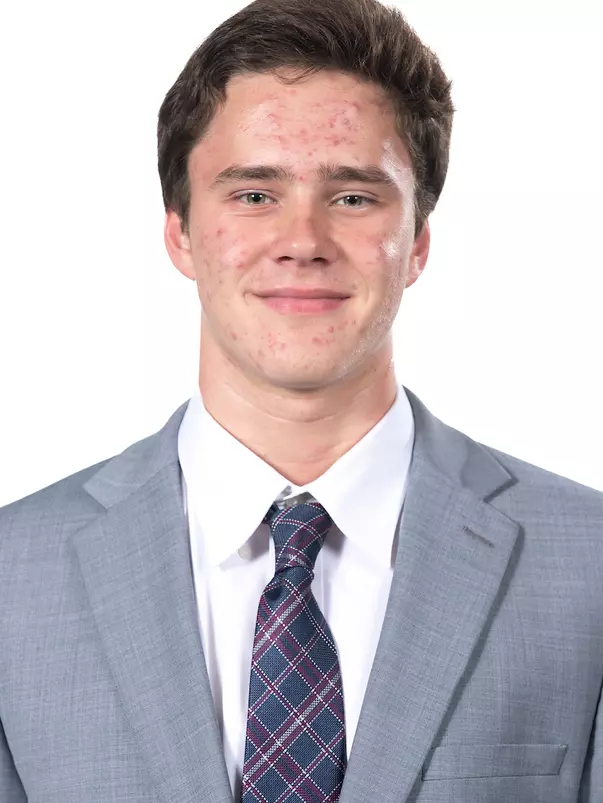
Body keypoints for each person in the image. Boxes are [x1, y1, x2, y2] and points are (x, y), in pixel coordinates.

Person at [1, 0, 601, 800]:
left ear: (417, 239)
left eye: (353, 197)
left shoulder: (588, 566)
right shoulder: (14, 576)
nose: (303, 239)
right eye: (253, 194)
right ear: (179, 231)